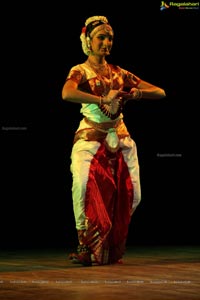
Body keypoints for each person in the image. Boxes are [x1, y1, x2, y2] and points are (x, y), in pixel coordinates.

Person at [62, 15, 166, 266]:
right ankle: (85, 244)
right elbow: (66, 93)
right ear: (88, 40)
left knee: (134, 196)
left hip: (120, 137)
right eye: (101, 37)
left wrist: (137, 94)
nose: (106, 42)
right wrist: (100, 100)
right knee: (83, 185)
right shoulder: (80, 70)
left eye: (110, 38)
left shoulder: (120, 73)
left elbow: (160, 92)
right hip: (90, 136)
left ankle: (108, 242)